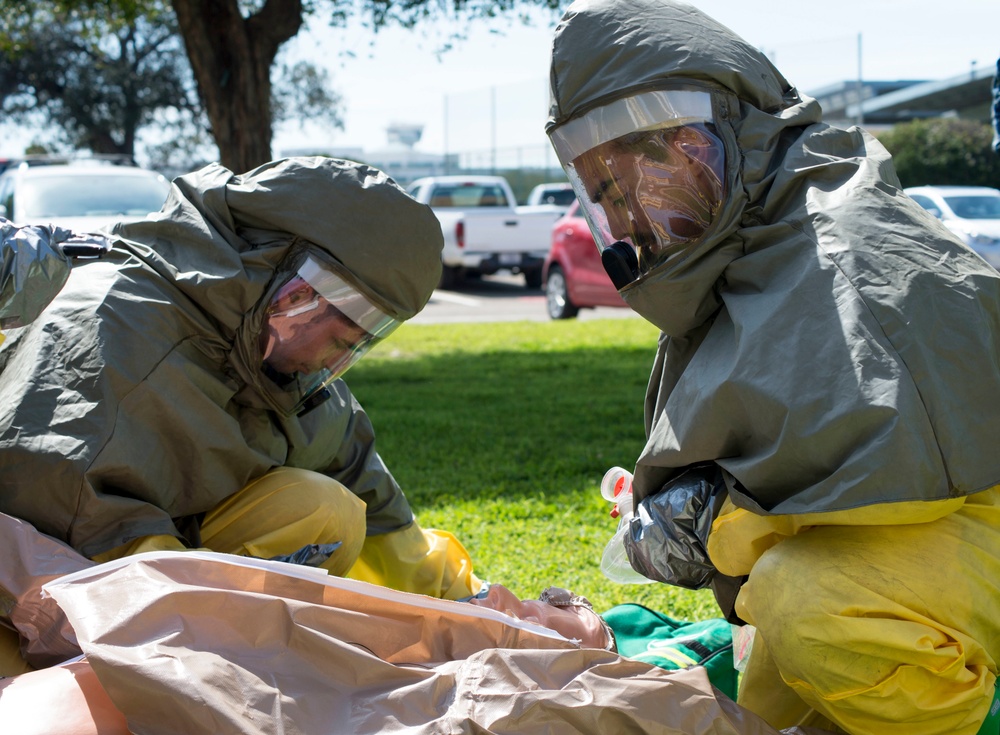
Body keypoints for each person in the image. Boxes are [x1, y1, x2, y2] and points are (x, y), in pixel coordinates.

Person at [545, 1, 1000, 733]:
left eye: (636, 169)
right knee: (769, 676)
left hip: (969, 528)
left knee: (805, 604)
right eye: (602, 190)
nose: (628, 213)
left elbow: (903, 475)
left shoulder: (838, 245)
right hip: (920, 543)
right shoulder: (751, 238)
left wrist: (713, 521)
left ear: (700, 141)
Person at [0, 157, 482, 618]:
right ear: (296, 298)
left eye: (361, 344)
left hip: (155, 575)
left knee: (323, 509)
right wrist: (199, 639)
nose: (339, 361)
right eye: (340, 339)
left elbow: (369, 495)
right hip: (39, 594)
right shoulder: (114, 327)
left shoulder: (277, 360)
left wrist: (469, 606)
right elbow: (77, 523)